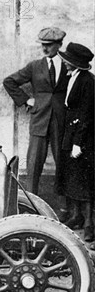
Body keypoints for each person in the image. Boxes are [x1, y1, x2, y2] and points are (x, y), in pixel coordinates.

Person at [3, 27, 69, 197]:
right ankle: (31, 203)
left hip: (61, 120)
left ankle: (66, 209)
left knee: (64, 164)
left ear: (59, 45)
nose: (45, 48)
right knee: (33, 165)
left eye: (49, 45)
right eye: (42, 45)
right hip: (39, 119)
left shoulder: (68, 65)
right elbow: (9, 82)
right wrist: (26, 99)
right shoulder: (35, 66)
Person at [56, 43, 94, 243]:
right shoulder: (72, 77)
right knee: (72, 178)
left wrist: (78, 143)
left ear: (74, 63)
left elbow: (87, 114)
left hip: (83, 138)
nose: (63, 62)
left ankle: (89, 224)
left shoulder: (88, 81)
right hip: (70, 134)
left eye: (66, 60)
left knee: (84, 182)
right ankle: (75, 216)